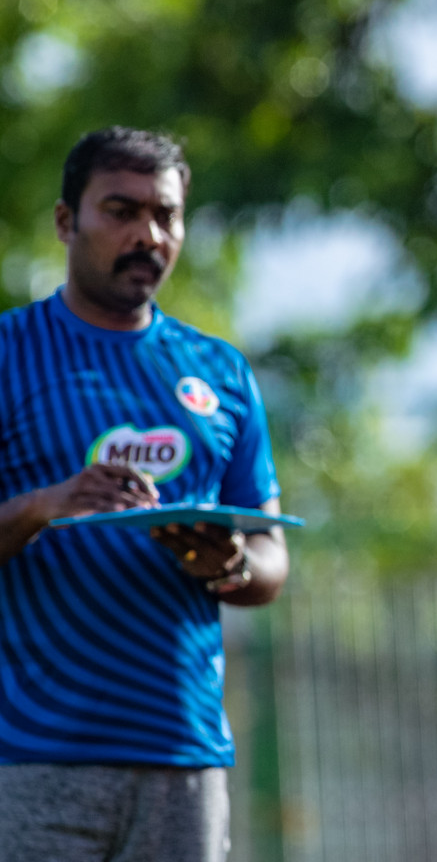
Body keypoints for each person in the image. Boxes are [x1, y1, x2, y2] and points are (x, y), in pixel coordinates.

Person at [0, 127, 289, 862]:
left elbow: (271, 558)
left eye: (165, 215)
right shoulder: (10, 355)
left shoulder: (218, 372)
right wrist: (43, 506)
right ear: (67, 222)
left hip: (184, 756)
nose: (147, 235)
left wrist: (226, 564)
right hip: (32, 758)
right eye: (120, 211)